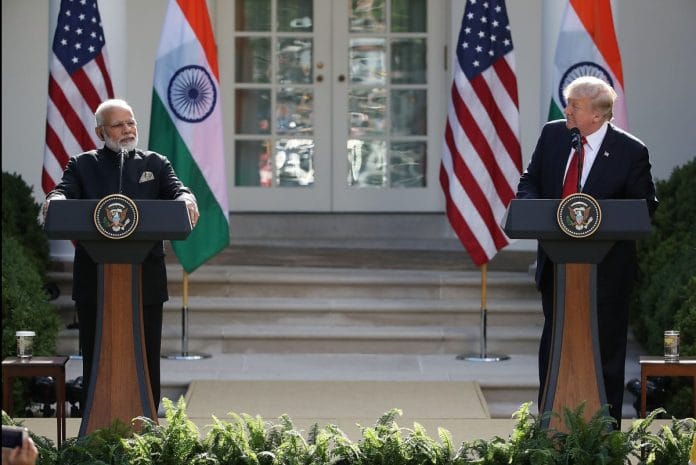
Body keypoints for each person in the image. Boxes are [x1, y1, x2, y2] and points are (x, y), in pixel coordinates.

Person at [516, 76, 658, 426]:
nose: (567, 110)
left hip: (608, 273)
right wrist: (537, 210)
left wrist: (602, 219)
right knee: (554, 346)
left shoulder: (631, 151)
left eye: (575, 106)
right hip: (558, 266)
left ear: (597, 115)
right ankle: (548, 426)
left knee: (606, 350)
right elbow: (529, 181)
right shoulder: (553, 135)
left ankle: (604, 431)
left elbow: (644, 207)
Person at [43, 99, 199, 411]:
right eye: (118, 125)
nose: (127, 129)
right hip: (95, 281)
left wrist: (187, 197)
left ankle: (148, 426)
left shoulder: (155, 163)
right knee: (97, 354)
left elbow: (177, 192)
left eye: (131, 123)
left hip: (145, 280)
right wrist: (54, 200)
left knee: (145, 355)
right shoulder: (82, 164)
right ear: (100, 131)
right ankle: (93, 426)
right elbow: (62, 192)